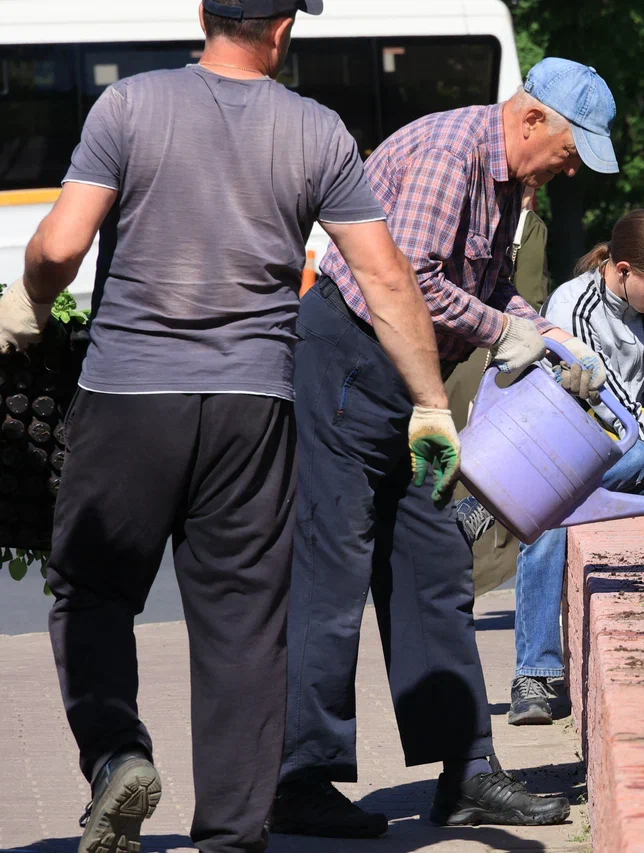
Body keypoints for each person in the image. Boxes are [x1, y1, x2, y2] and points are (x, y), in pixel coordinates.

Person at [0, 1, 462, 851]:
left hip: (128, 400)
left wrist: (26, 301)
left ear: (206, 13)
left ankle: (116, 756)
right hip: (256, 410)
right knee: (244, 623)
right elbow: (387, 276)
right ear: (282, 29)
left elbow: (61, 247)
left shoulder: (129, 107)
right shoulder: (318, 131)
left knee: (94, 590)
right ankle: (232, 836)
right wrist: (430, 402)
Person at [271, 58, 617, 837]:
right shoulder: (448, 153)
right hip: (352, 363)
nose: (569, 169)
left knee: (432, 568)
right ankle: (298, 777)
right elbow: (409, 278)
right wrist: (506, 331)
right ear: (531, 120)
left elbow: (487, 285)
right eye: (569, 149)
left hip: (411, 383)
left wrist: (546, 332)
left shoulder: (505, 180)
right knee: (334, 568)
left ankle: (464, 772)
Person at [508, 209, 644, 726]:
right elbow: (613, 402)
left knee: (553, 504)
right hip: (561, 443)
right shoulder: (574, 306)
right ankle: (534, 672)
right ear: (623, 270)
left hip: (616, 452)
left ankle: (500, 504)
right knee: (556, 508)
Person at [448, 186, 552, 596]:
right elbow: (530, 297)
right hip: (491, 361)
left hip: (448, 357)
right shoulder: (528, 225)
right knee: (485, 481)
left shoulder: (466, 214)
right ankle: (469, 580)